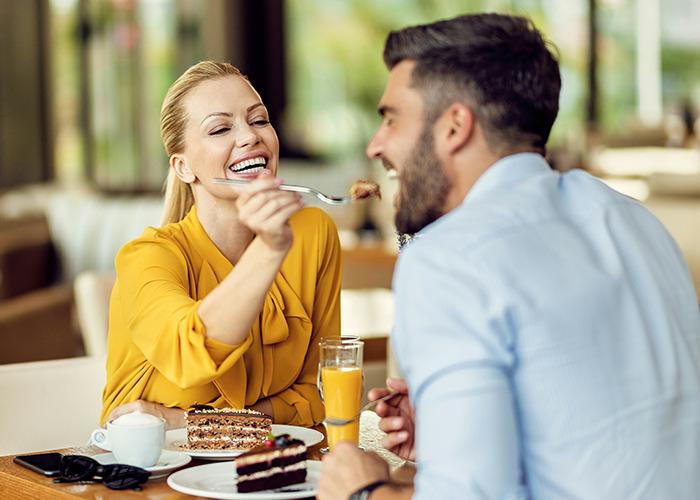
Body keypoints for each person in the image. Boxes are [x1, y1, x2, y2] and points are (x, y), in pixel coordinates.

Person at [317, 13, 700, 500]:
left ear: (455, 126)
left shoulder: (446, 257)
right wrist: (452, 435)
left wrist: (364, 491)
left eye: (391, 118)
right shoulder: (636, 223)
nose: (377, 145)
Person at [100, 61, 342, 429]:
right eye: (220, 128)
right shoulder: (145, 258)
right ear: (183, 168)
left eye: (259, 120)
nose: (249, 137)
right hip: (153, 473)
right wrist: (269, 250)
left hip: (271, 469)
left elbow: (318, 395)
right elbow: (191, 350)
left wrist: (187, 422)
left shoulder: (312, 233)